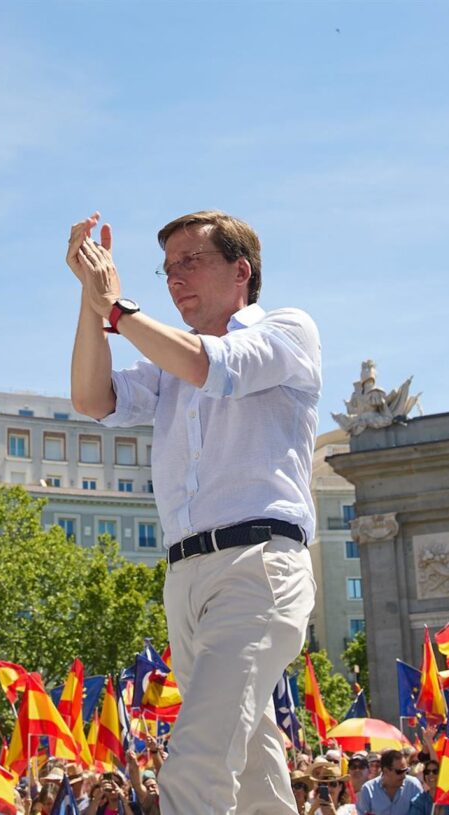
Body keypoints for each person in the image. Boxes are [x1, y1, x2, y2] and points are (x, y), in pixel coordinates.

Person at [65, 210, 321, 815]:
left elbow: (210, 366)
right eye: (167, 268)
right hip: (185, 580)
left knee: (197, 760)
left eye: (190, 262)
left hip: (258, 568)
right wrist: (90, 300)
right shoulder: (164, 363)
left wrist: (117, 311)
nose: (174, 279)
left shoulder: (288, 330)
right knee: (255, 773)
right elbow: (91, 397)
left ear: (241, 271)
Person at [356, 750, 423, 815]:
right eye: (399, 772)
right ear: (386, 771)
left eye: (406, 770)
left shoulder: (413, 786)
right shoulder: (368, 790)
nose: (403, 775)